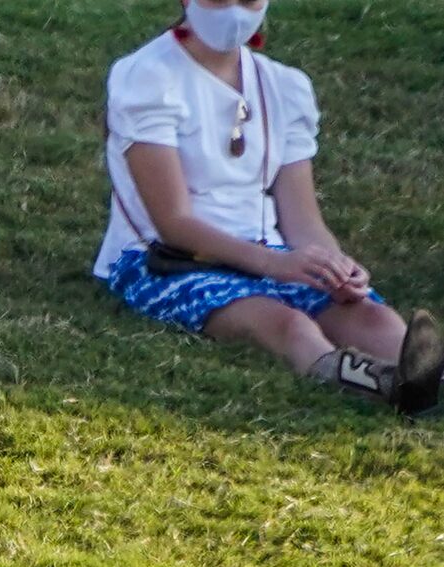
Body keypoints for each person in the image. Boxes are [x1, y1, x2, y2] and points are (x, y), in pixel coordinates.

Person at [96, 1, 440, 415]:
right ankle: (385, 384)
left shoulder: (283, 85)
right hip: (166, 260)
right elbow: (173, 222)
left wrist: (336, 266)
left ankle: (427, 379)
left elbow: (302, 219)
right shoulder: (149, 77)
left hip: (270, 255)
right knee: (289, 325)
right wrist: (274, 265)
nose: (235, 9)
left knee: (374, 318)